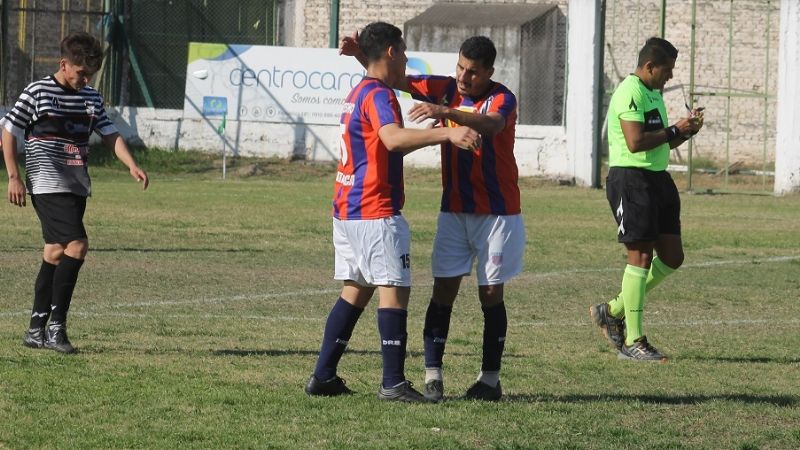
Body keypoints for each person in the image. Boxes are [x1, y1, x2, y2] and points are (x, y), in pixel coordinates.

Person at [341, 34, 525, 401]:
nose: (462, 77)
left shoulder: (503, 97)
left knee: (490, 294)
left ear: (489, 71)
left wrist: (447, 114)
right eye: (459, 67)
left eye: (472, 72)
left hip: (498, 213)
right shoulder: (443, 87)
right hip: (454, 211)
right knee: (443, 292)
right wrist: (364, 56)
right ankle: (433, 376)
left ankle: (489, 380)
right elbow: (389, 76)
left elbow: (489, 125)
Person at [304, 22, 480, 403]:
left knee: (356, 289)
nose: (405, 59)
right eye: (403, 50)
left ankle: (323, 375)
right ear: (391, 52)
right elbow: (393, 138)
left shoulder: (360, 90)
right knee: (395, 291)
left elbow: (386, 145)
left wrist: (431, 133)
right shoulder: (380, 94)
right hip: (375, 210)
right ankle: (393, 383)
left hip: (348, 209)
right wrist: (447, 133)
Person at [2, 31, 149, 354]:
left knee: (55, 252)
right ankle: (57, 327)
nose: (85, 80)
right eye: (81, 73)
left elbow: (110, 135)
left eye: (90, 75)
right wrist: (14, 177)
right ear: (64, 64)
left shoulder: (91, 98)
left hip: (76, 184)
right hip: (45, 181)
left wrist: (131, 165)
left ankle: (35, 329)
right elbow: (9, 132)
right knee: (78, 245)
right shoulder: (38, 91)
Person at [590, 37, 703, 362]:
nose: (670, 77)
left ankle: (611, 310)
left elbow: (660, 142)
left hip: (657, 179)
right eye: (666, 70)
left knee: (672, 256)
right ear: (650, 66)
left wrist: (686, 131)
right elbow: (636, 141)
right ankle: (633, 340)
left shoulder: (653, 93)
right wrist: (673, 129)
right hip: (631, 180)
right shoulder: (630, 91)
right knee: (639, 256)